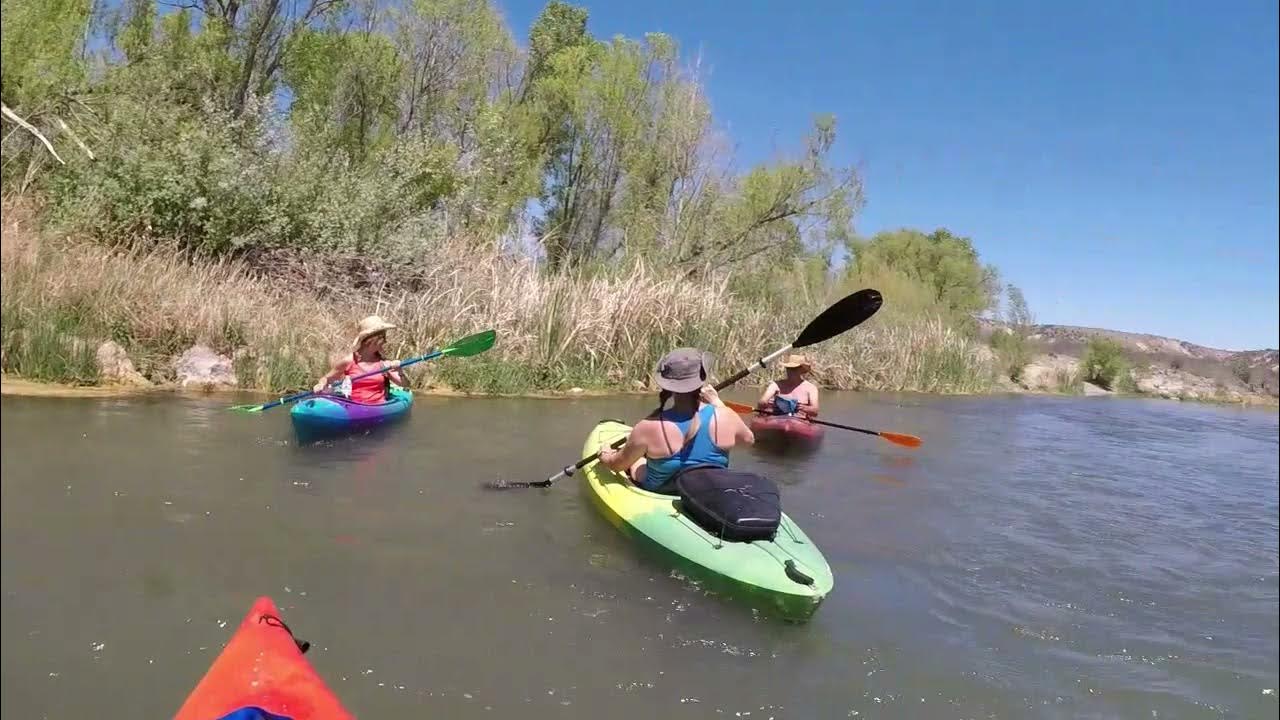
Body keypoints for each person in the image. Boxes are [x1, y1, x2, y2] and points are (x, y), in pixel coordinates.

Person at [599, 348, 755, 494]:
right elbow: (748, 440)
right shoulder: (726, 415)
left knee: (637, 461)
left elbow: (617, 465)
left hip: (663, 491)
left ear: (668, 386)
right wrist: (716, 402)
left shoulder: (647, 427)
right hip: (708, 491)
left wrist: (605, 454)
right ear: (702, 380)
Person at [311, 315, 407, 404]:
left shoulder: (384, 363)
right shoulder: (348, 361)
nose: (385, 341)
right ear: (370, 340)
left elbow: (404, 384)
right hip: (355, 406)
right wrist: (321, 384)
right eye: (383, 337)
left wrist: (400, 370)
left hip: (378, 407)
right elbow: (327, 378)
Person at [757, 353, 820, 418]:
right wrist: (768, 404)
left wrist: (802, 407)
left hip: (799, 421)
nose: (790, 371)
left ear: (801, 369)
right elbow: (762, 402)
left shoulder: (811, 388)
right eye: (788, 368)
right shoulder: (776, 385)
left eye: (794, 368)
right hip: (776, 418)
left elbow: (815, 412)